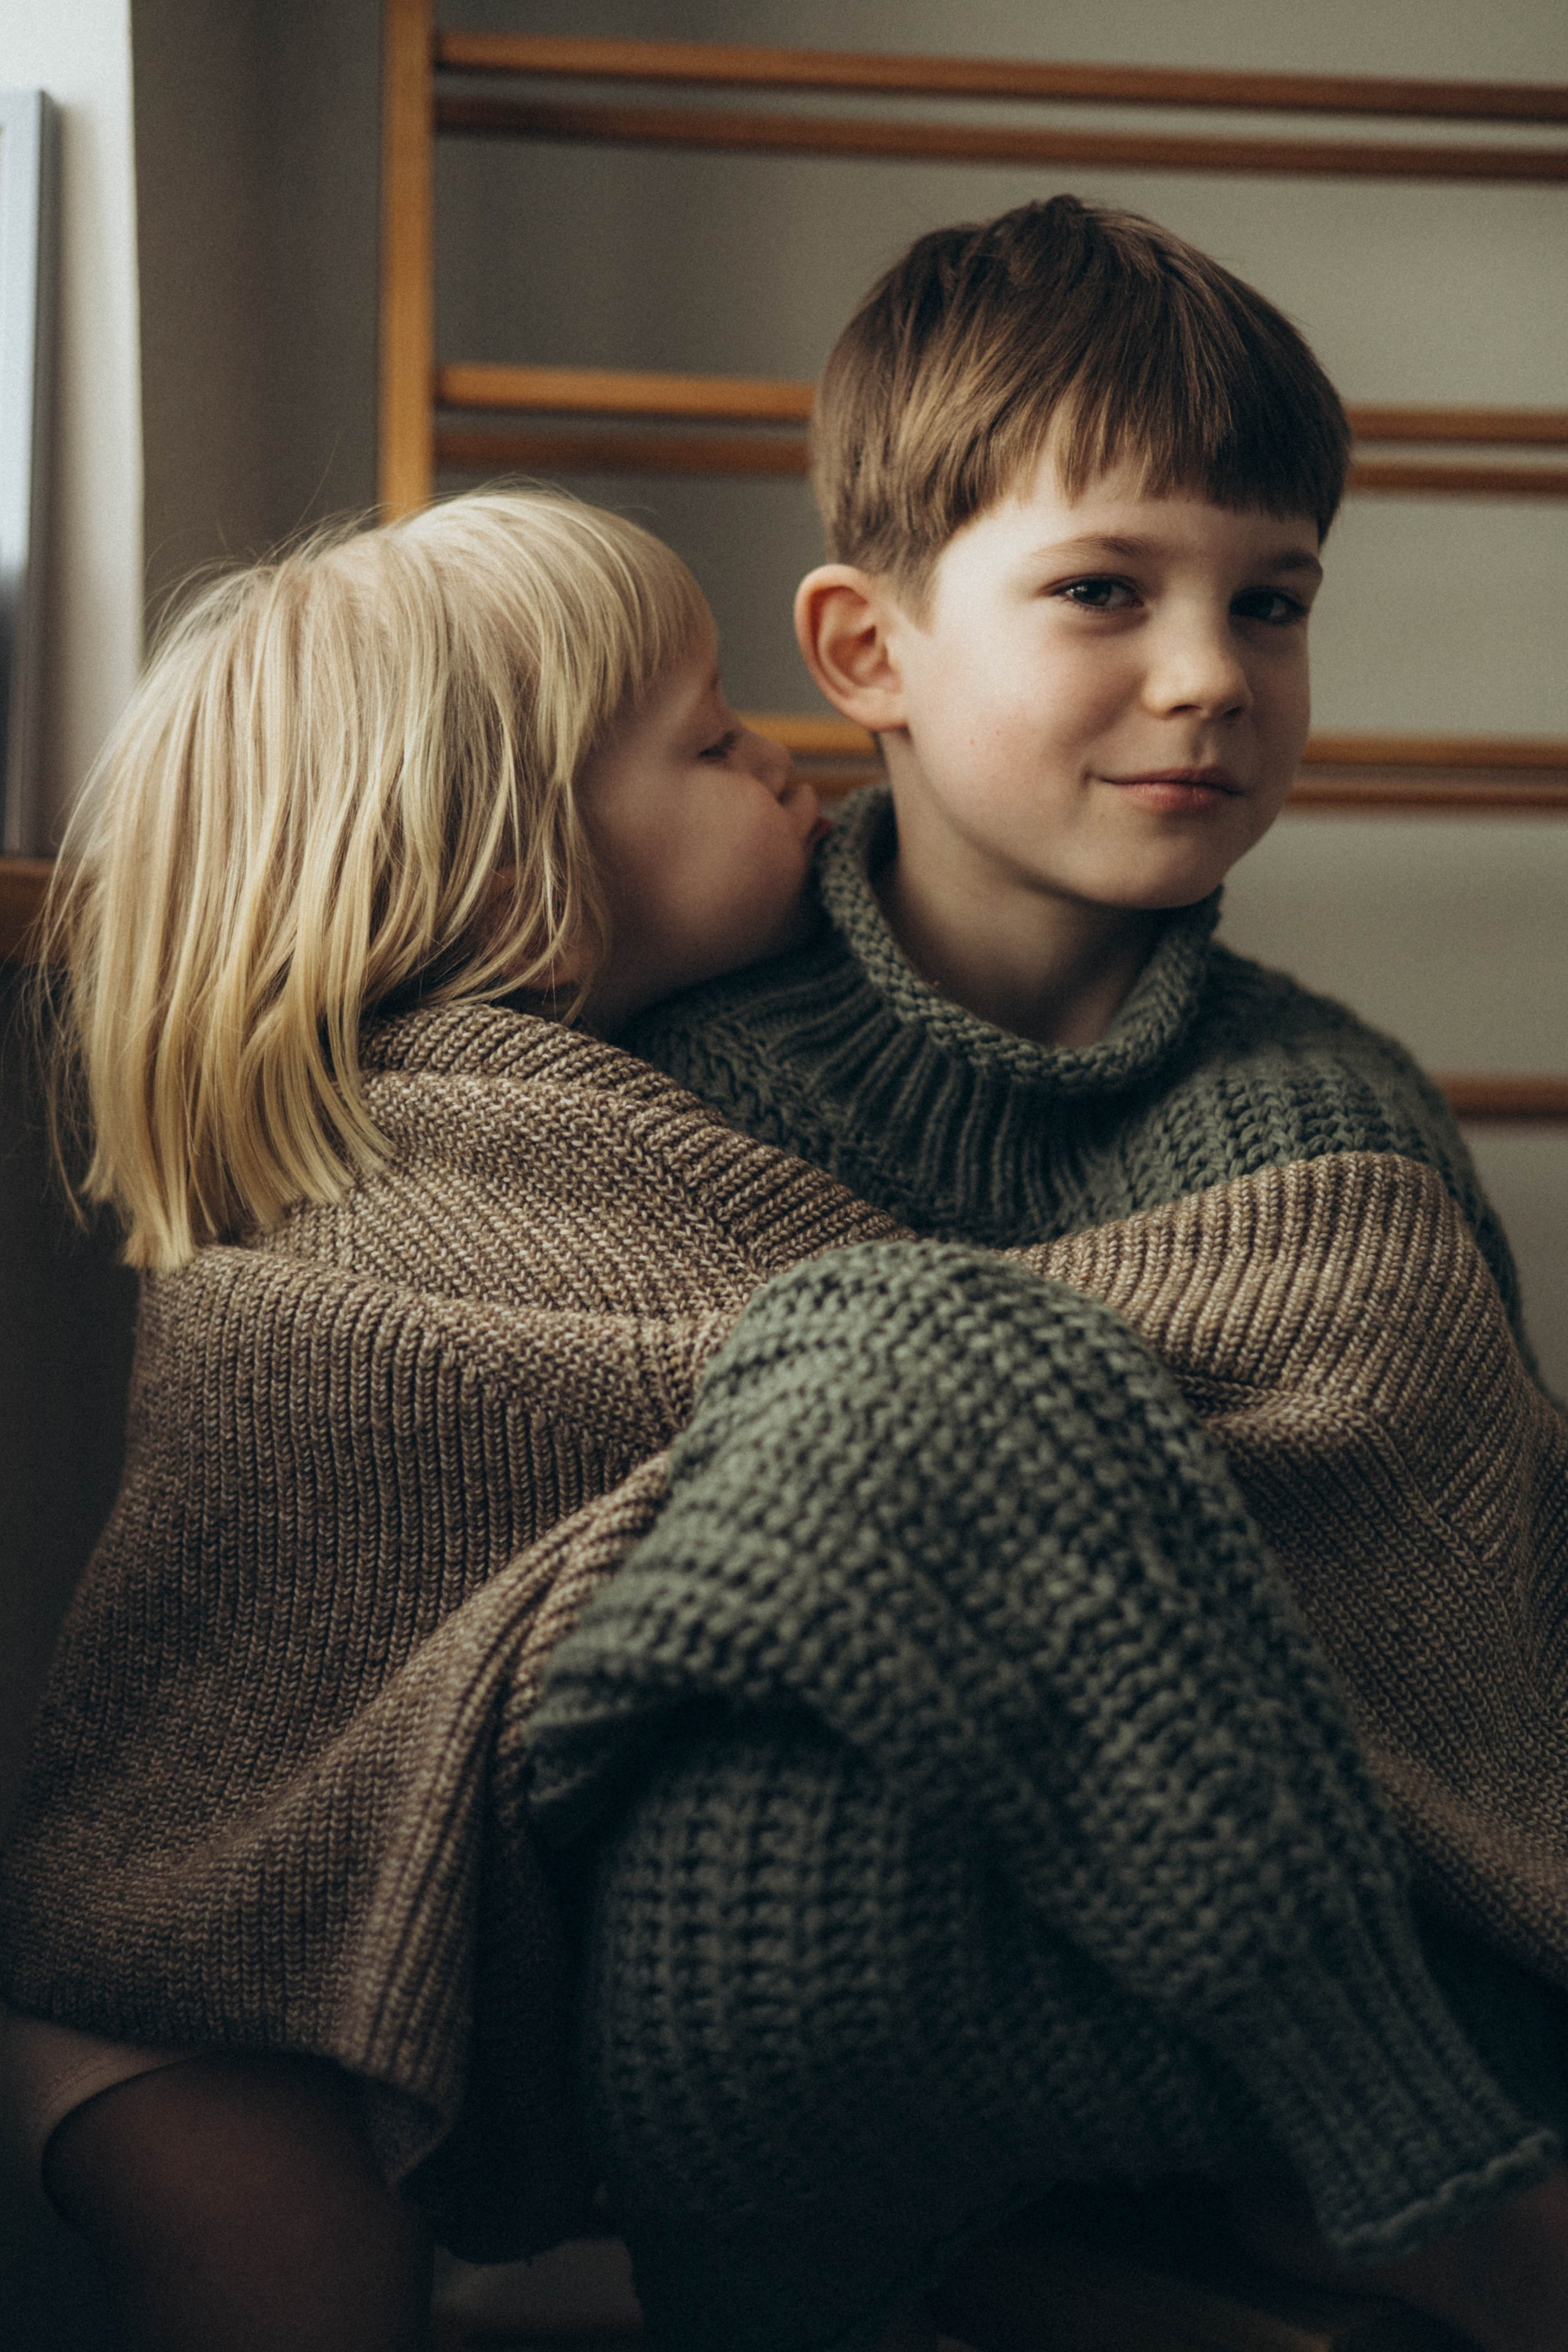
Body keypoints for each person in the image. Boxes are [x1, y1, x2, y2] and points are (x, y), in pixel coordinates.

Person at [519, 195, 1568, 2352]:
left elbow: (1469, 1638)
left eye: (1271, 602)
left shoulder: (1336, 1123)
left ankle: (1330, 2201)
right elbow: (558, 1571)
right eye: (1104, 588)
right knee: (755, 1833)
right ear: (866, 652)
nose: (1212, 676)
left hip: (1332, 1950)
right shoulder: (663, 1085)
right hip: (836, 1947)